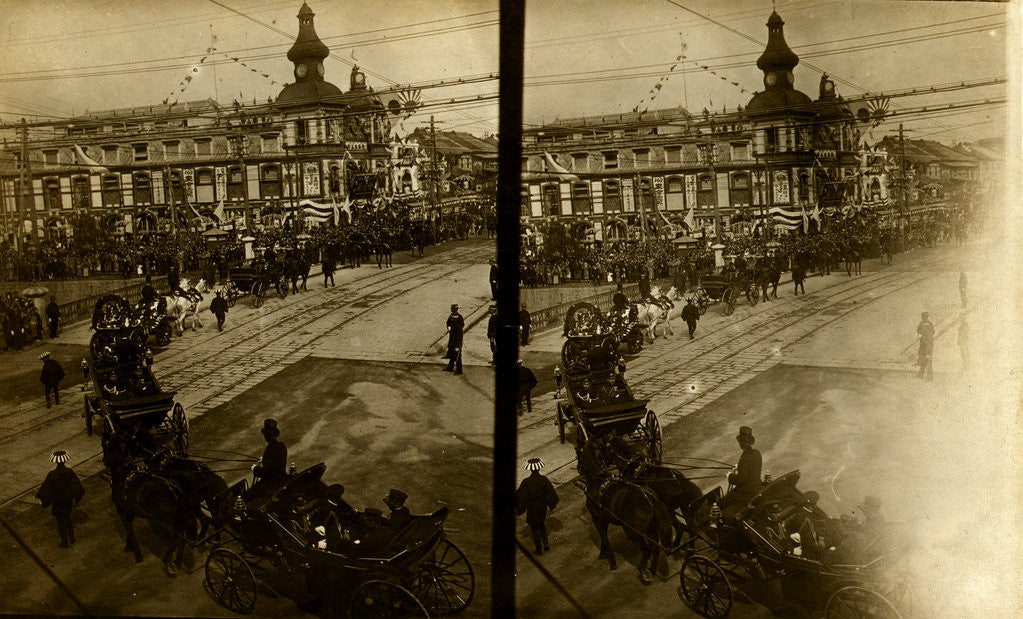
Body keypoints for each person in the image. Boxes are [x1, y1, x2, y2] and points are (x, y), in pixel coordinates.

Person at [36, 450, 84, 548]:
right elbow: (76, 485)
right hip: (67, 499)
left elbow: (46, 488)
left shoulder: (52, 474)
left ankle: (64, 542)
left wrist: (44, 501)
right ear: (64, 461)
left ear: (56, 462)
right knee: (68, 517)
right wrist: (75, 497)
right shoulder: (69, 472)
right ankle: (72, 537)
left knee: (60, 522)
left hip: (57, 500)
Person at [516, 458, 560, 556]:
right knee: (542, 524)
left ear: (530, 469)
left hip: (532, 508)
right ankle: (546, 545)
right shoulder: (544, 479)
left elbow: (520, 496)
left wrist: (519, 508)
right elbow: (551, 493)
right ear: (539, 468)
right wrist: (551, 504)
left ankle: (539, 550)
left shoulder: (526, 482)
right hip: (542, 507)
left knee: (535, 529)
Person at [721, 426, 762, 513]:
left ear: (740, 444)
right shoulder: (756, 453)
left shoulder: (744, 459)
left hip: (747, 492)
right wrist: (739, 467)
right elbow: (751, 467)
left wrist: (730, 476)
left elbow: (741, 479)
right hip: (757, 486)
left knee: (725, 500)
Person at [252, 418, 288, 491]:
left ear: (265, 436)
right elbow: (275, 463)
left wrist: (255, 469)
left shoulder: (270, 449)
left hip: (272, 485)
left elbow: (267, 472)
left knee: (251, 492)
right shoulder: (281, 445)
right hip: (283, 479)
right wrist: (264, 460)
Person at [444, 304, 464, 375]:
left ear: (456, 309)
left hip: (457, 340)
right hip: (452, 338)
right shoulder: (451, 315)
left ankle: (459, 370)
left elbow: (460, 333)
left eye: (452, 308)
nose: (451, 309)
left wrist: (458, 345)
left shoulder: (459, 317)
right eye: (451, 308)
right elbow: (448, 322)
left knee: (458, 356)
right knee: (452, 354)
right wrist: (449, 326)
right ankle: (450, 367)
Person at [916, 311, 934, 381]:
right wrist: (919, 335)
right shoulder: (921, 324)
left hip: (929, 345)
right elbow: (918, 332)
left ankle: (929, 377)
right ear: (922, 317)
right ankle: (920, 375)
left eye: (926, 317)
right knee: (923, 359)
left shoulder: (930, 325)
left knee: (928, 360)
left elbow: (932, 332)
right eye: (924, 317)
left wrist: (927, 338)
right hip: (923, 345)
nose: (925, 318)